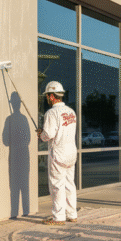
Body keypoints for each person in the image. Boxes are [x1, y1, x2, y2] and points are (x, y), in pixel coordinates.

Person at [37, 81, 78, 225]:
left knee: (56, 185)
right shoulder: (71, 112)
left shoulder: (51, 113)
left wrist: (41, 135)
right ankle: (72, 214)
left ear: (52, 96)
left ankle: (58, 217)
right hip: (71, 153)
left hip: (59, 153)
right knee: (69, 184)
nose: (47, 99)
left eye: (47, 96)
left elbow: (48, 134)